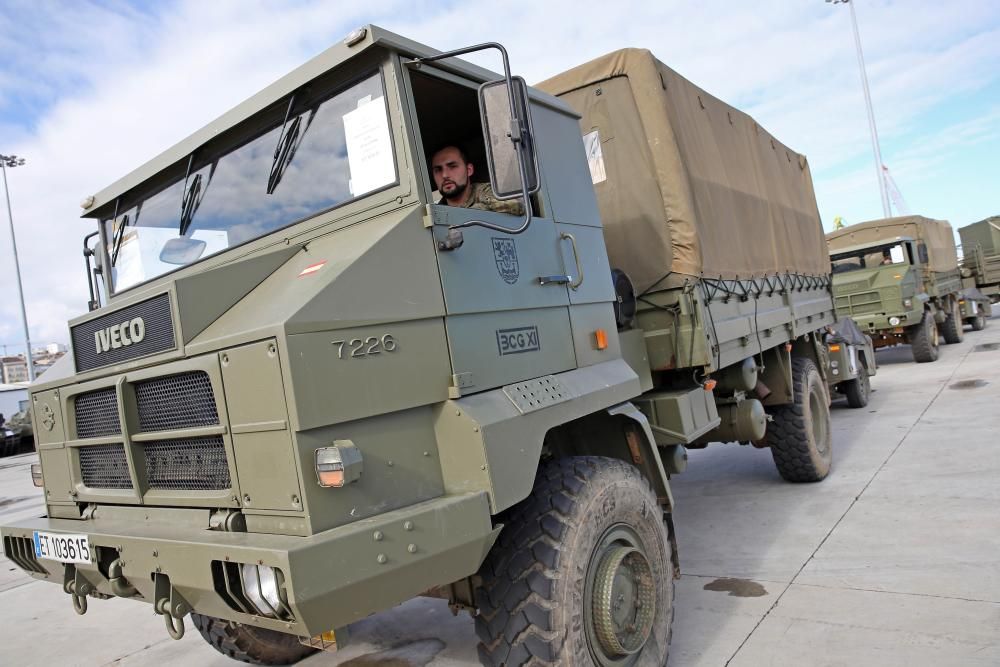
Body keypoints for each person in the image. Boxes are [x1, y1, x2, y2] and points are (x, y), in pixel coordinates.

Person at [430, 145, 525, 216]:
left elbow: (518, 205)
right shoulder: (436, 214)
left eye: (452, 166)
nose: (445, 175)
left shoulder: (486, 192)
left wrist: (468, 214)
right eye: (438, 170)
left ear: (469, 170)